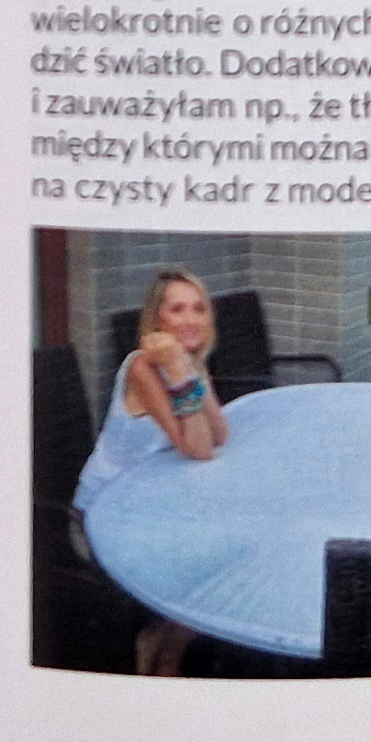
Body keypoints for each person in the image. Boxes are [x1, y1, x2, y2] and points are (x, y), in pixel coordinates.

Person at [72, 268, 231, 674]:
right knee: (208, 559)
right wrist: (177, 370)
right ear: (157, 318)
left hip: (151, 503)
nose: (191, 319)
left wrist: (187, 369)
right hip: (103, 513)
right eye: (177, 309)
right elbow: (198, 448)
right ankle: (161, 654)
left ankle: (165, 644)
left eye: (199, 308)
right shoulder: (142, 367)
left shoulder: (187, 361)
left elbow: (220, 433)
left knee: (224, 544)